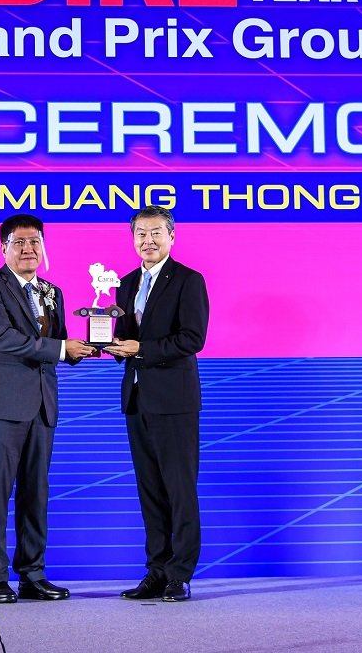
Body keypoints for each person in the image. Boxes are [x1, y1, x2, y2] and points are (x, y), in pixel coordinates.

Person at [0, 213, 98, 603]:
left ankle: (33, 574)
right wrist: (62, 348)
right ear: (4, 248)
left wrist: (90, 346)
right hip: (4, 406)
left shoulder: (51, 291)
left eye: (35, 242)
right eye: (20, 242)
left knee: (36, 493)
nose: (29, 249)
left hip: (43, 405)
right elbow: (3, 339)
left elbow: (59, 343)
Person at [103, 205, 209, 602]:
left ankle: (180, 574)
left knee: (179, 489)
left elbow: (192, 338)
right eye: (140, 234)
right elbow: (125, 336)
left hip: (174, 400)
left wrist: (141, 349)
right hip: (136, 398)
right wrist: (109, 344)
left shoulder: (188, 280)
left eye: (155, 233)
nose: (147, 241)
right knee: (149, 489)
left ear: (171, 237)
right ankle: (157, 571)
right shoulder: (127, 283)